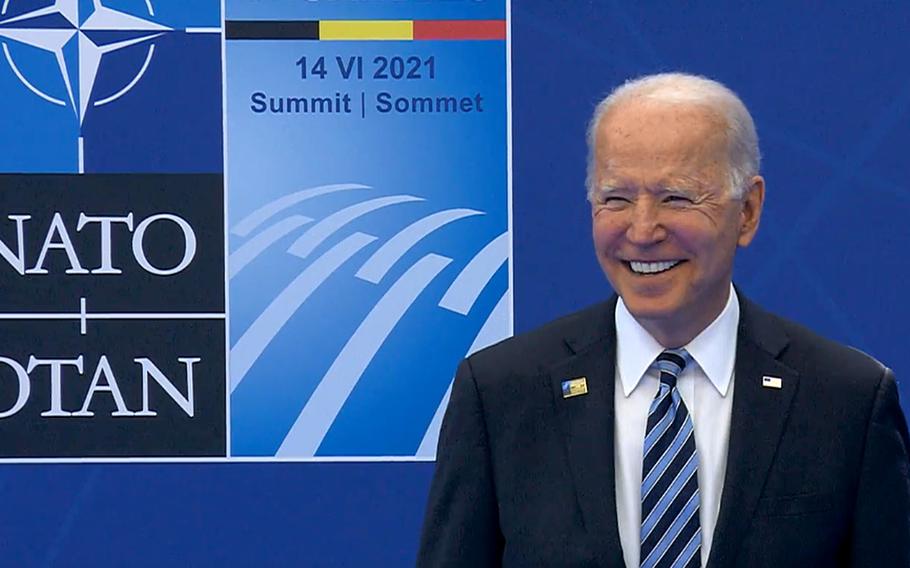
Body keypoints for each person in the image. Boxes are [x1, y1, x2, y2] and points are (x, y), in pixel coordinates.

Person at [417, 73, 910, 567]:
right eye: (616, 199)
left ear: (749, 211)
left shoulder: (848, 401)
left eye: (676, 197)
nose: (642, 229)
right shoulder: (502, 393)